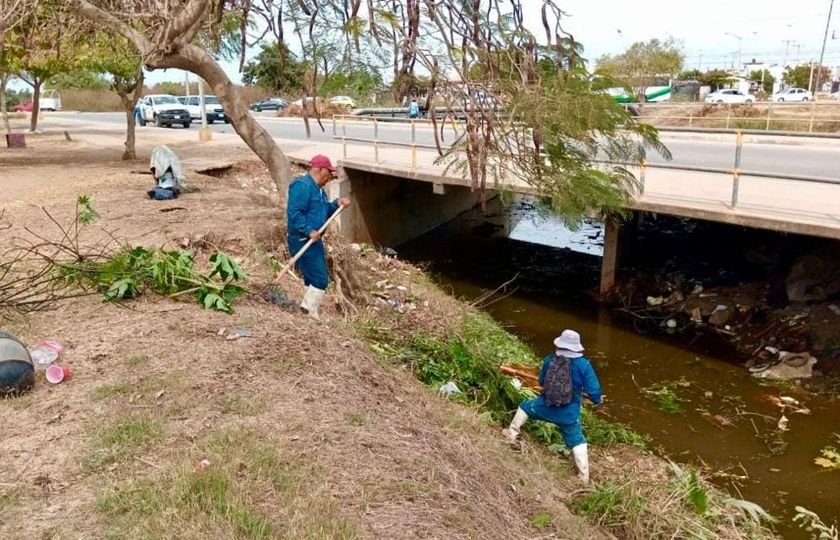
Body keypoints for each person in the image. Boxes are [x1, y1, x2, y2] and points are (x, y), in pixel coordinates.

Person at [503, 329, 602, 483]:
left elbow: (542, 382)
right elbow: (594, 391)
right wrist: (597, 400)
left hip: (544, 406)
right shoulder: (584, 365)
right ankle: (583, 478)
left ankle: (510, 435)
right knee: (577, 440)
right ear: (576, 347)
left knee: (524, 407)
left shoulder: (550, 359)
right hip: (568, 415)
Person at [286, 155, 351, 319]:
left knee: (311, 277)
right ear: (318, 170)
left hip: (314, 240)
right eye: (328, 172)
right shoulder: (302, 186)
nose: (330, 177)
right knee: (320, 278)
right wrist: (308, 230)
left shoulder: (319, 190)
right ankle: (309, 311)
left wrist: (337, 204)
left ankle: (306, 310)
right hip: (303, 240)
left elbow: (324, 210)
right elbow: (294, 213)